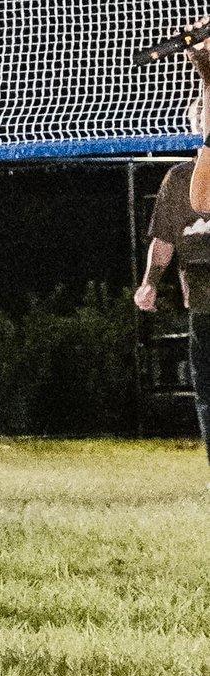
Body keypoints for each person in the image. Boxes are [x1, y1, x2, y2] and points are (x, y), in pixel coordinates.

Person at [134, 153, 210, 472]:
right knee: (206, 392)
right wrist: (150, 282)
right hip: (203, 301)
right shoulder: (179, 179)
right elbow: (164, 239)